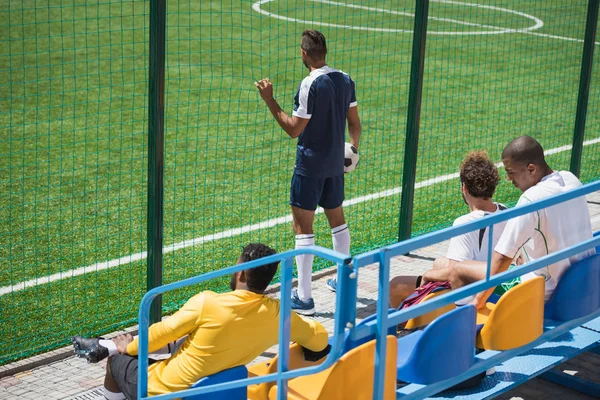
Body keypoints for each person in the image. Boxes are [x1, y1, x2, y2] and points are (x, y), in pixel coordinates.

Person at [72, 243, 329, 400]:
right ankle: (104, 344)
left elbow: (160, 334)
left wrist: (126, 346)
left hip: (164, 390)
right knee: (185, 339)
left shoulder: (208, 302)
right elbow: (319, 339)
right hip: (210, 387)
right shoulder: (279, 314)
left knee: (116, 362)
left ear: (239, 273)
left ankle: (107, 348)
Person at [254, 30, 361, 315]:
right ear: (325, 51)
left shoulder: (309, 84)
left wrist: (269, 99)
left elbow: (293, 129)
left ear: (303, 53)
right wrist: (352, 151)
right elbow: (356, 124)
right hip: (335, 165)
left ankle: (304, 297)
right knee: (337, 220)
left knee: (303, 227)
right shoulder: (345, 78)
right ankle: (344, 281)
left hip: (310, 165)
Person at [421, 136, 595, 309]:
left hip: (545, 290)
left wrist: (479, 301)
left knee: (461, 269)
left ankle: (467, 322)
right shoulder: (571, 179)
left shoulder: (531, 199)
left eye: (511, 172)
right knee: (446, 265)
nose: (509, 180)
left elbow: (502, 259)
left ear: (531, 169)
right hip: (581, 283)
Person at [389, 150, 508, 308]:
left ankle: (403, 329)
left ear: (464, 188)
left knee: (395, 284)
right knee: (439, 262)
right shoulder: (506, 210)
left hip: (476, 289)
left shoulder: (464, 223)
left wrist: (429, 275)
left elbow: (454, 272)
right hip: (499, 280)